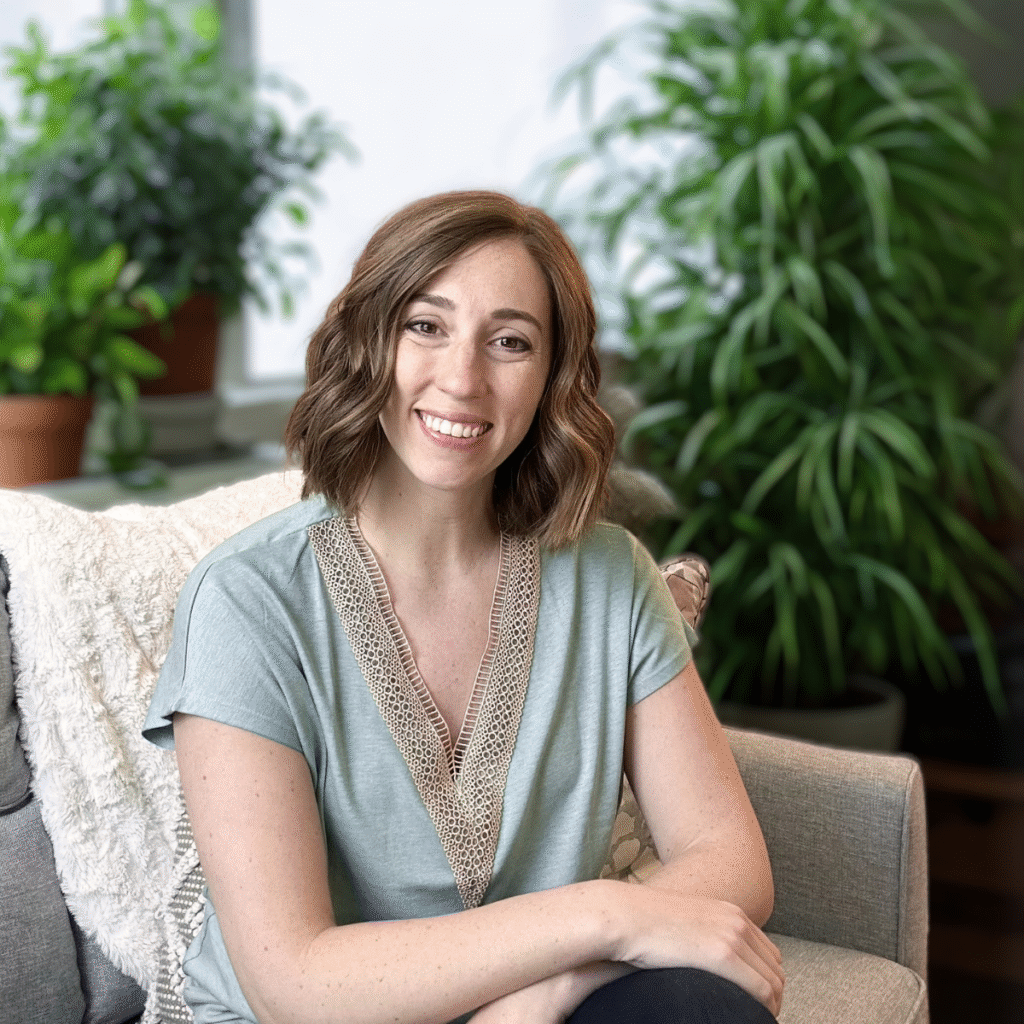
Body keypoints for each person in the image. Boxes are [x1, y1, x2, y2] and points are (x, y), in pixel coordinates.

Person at [143, 190, 784, 1024]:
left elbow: (728, 857)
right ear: (369, 343)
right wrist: (607, 915)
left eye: (510, 341)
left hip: (528, 1007)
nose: (462, 379)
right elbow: (294, 980)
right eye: (426, 326)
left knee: (705, 1006)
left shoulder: (611, 578)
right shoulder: (246, 600)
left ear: (552, 376)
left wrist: (549, 988)